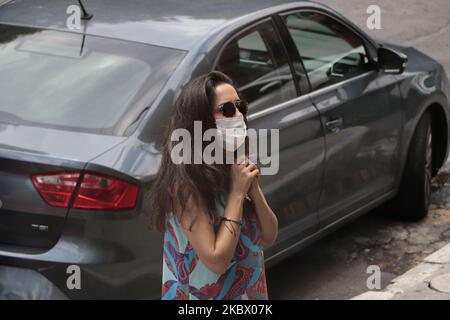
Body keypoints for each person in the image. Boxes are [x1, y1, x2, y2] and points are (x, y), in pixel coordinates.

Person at [149, 71, 278, 300]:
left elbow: (269, 234)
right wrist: (237, 194)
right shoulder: (186, 185)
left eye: (240, 107)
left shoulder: (233, 169)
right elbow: (216, 261)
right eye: (226, 110)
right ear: (201, 122)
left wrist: (253, 189)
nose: (238, 115)